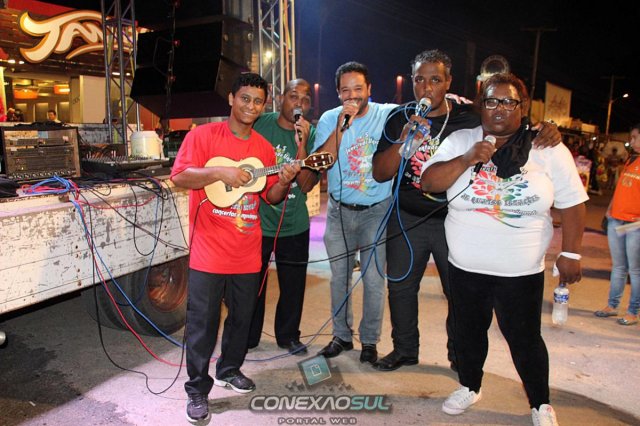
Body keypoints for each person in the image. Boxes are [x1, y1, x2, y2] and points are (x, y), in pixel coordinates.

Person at [372, 50, 562, 372]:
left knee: (458, 293)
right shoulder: (399, 117)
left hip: (452, 220)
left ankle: (459, 355)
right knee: (401, 288)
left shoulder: (469, 116)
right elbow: (380, 173)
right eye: (419, 79)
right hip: (407, 219)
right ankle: (405, 349)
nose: (426, 87)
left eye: (435, 79)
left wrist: (547, 128)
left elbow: (509, 122)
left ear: (448, 82)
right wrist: (403, 144)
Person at [421, 72, 587, 426]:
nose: (499, 108)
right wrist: (466, 158)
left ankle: (540, 403)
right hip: (465, 267)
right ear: (481, 106)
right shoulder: (461, 140)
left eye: (508, 101)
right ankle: (470, 386)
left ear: (522, 107)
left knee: (525, 339)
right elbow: (429, 182)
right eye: (491, 101)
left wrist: (571, 253)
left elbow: (573, 203)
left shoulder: (547, 148)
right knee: (467, 333)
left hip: (520, 271)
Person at [170, 72, 300, 423]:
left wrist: (285, 180)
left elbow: (271, 197)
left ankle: (229, 369)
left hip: (247, 250)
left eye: (258, 101)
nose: (251, 106)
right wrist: (220, 173)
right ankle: (197, 389)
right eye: (245, 98)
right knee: (203, 324)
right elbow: (179, 176)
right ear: (231, 99)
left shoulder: (263, 148)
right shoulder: (202, 136)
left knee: (242, 319)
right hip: (208, 249)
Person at [312, 61, 396, 364]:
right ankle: (341, 336)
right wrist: (340, 126)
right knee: (339, 278)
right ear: (338, 93)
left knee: (374, 279)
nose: (352, 96)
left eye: (358, 89)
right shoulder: (329, 118)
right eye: (345, 90)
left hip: (376, 210)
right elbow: (323, 161)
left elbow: (423, 112)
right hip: (339, 212)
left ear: (369, 89)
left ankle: (370, 341)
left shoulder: (387, 114)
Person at [248, 79, 319, 355]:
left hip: (294, 223)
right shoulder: (260, 124)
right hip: (258, 221)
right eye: (293, 96)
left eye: (305, 99)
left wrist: (302, 144)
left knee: (293, 285)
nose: (299, 103)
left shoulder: (311, 134)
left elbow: (306, 185)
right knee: (253, 284)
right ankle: (248, 335)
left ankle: (288, 336)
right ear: (280, 99)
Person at [594, 123, 640, 325]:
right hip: (616, 219)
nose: (632, 141)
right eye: (631, 137)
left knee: (635, 270)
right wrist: (609, 210)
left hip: (635, 224)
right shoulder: (631, 159)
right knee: (619, 266)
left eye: (636, 137)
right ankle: (612, 305)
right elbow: (621, 188)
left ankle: (633, 311)